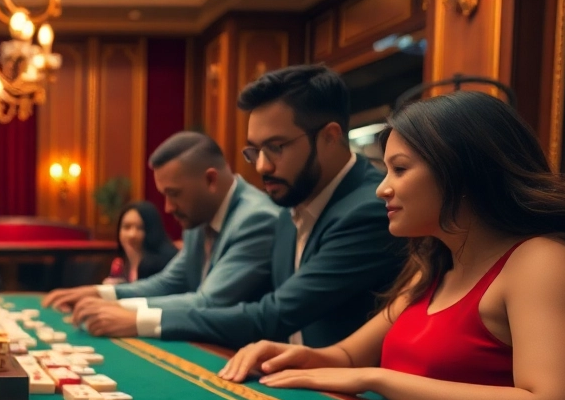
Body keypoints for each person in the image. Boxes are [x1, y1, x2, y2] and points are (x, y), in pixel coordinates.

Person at [220, 91, 565, 400]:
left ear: (461, 172)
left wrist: (378, 378)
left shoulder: (542, 261)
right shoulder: (437, 262)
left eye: (400, 170)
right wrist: (290, 355)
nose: (382, 189)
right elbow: (349, 356)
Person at [124, 65, 404, 347]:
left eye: (276, 147)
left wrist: (141, 321)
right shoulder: (287, 208)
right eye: (255, 151)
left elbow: (271, 315)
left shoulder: (370, 210)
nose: (261, 165)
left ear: (330, 137)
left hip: (339, 390)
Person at [42, 131, 278, 337]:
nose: (168, 207)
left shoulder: (255, 218)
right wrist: (99, 293)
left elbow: (209, 302)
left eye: (174, 194)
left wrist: (128, 314)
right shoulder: (200, 217)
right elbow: (170, 282)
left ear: (210, 179)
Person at [104, 201, 178, 284]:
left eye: (140, 228)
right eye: (127, 227)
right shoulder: (119, 264)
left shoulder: (162, 264)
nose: (132, 235)